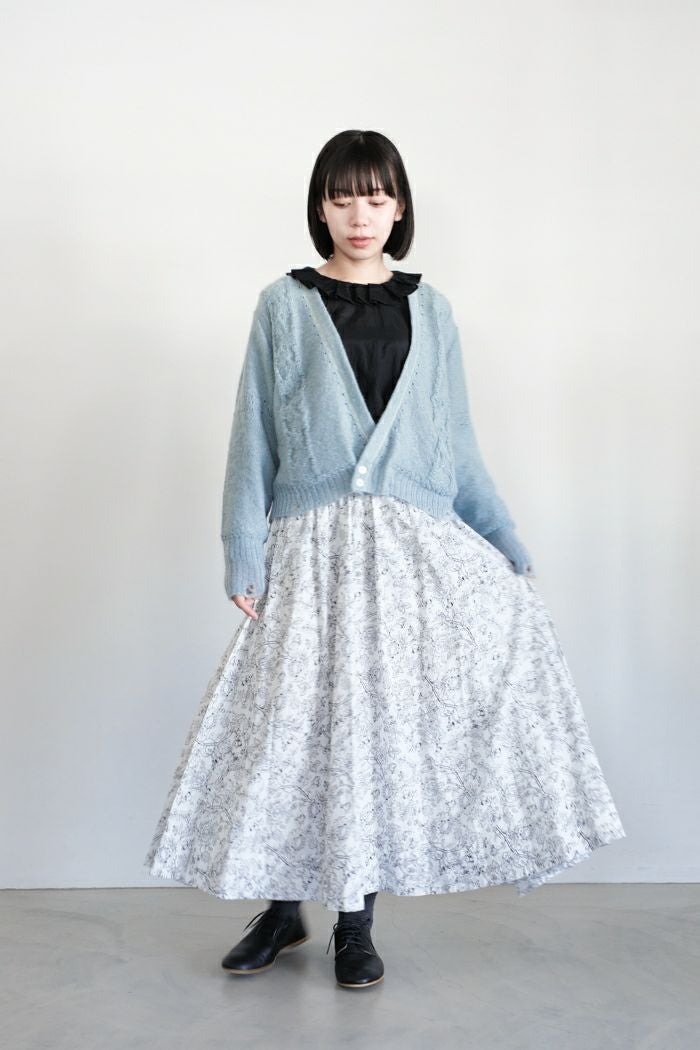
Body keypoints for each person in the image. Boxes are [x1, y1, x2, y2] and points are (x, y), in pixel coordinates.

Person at [144, 129, 626, 991]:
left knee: (372, 735)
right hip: (312, 547)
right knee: (294, 729)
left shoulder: (431, 310)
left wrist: (503, 537)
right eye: (341, 198)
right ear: (320, 208)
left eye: (374, 197)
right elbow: (253, 435)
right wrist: (242, 549)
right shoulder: (283, 305)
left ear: (400, 207)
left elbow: (455, 441)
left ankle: (355, 925)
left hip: (406, 558)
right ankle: (283, 909)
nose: (359, 215)